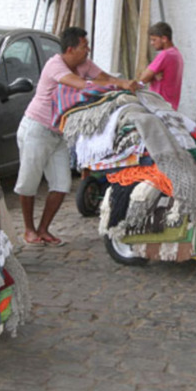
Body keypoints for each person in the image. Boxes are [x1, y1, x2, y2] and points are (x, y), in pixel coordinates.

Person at [15, 26, 138, 246]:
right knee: (29, 182)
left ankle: (43, 229)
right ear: (70, 49)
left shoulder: (84, 63)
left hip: (59, 133)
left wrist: (122, 83)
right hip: (37, 128)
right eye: (84, 46)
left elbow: (104, 77)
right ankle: (28, 229)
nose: (87, 50)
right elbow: (83, 85)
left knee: (62, 184)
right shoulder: (55, 65)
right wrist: (120, 84)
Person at [137, 21, 184, 110]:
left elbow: (143, 78)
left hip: (158, 105)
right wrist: (154, 75)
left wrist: (151, 75)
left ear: (164, 39)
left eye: (154, 40)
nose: (151, 43)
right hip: (171, 105)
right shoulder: (177, 54)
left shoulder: (165, 55)